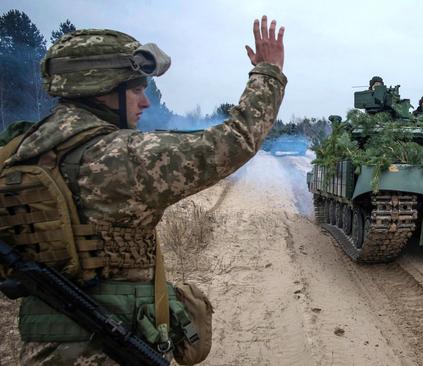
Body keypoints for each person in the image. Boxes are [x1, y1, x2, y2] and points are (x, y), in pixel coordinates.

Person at [8, 15, 286, 365]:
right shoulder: (114, 158)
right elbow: (234, 140)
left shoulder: (23, 150)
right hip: (105, 350)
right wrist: (268, 73)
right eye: (137, 90)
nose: (145, 103)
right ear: (104, 90)